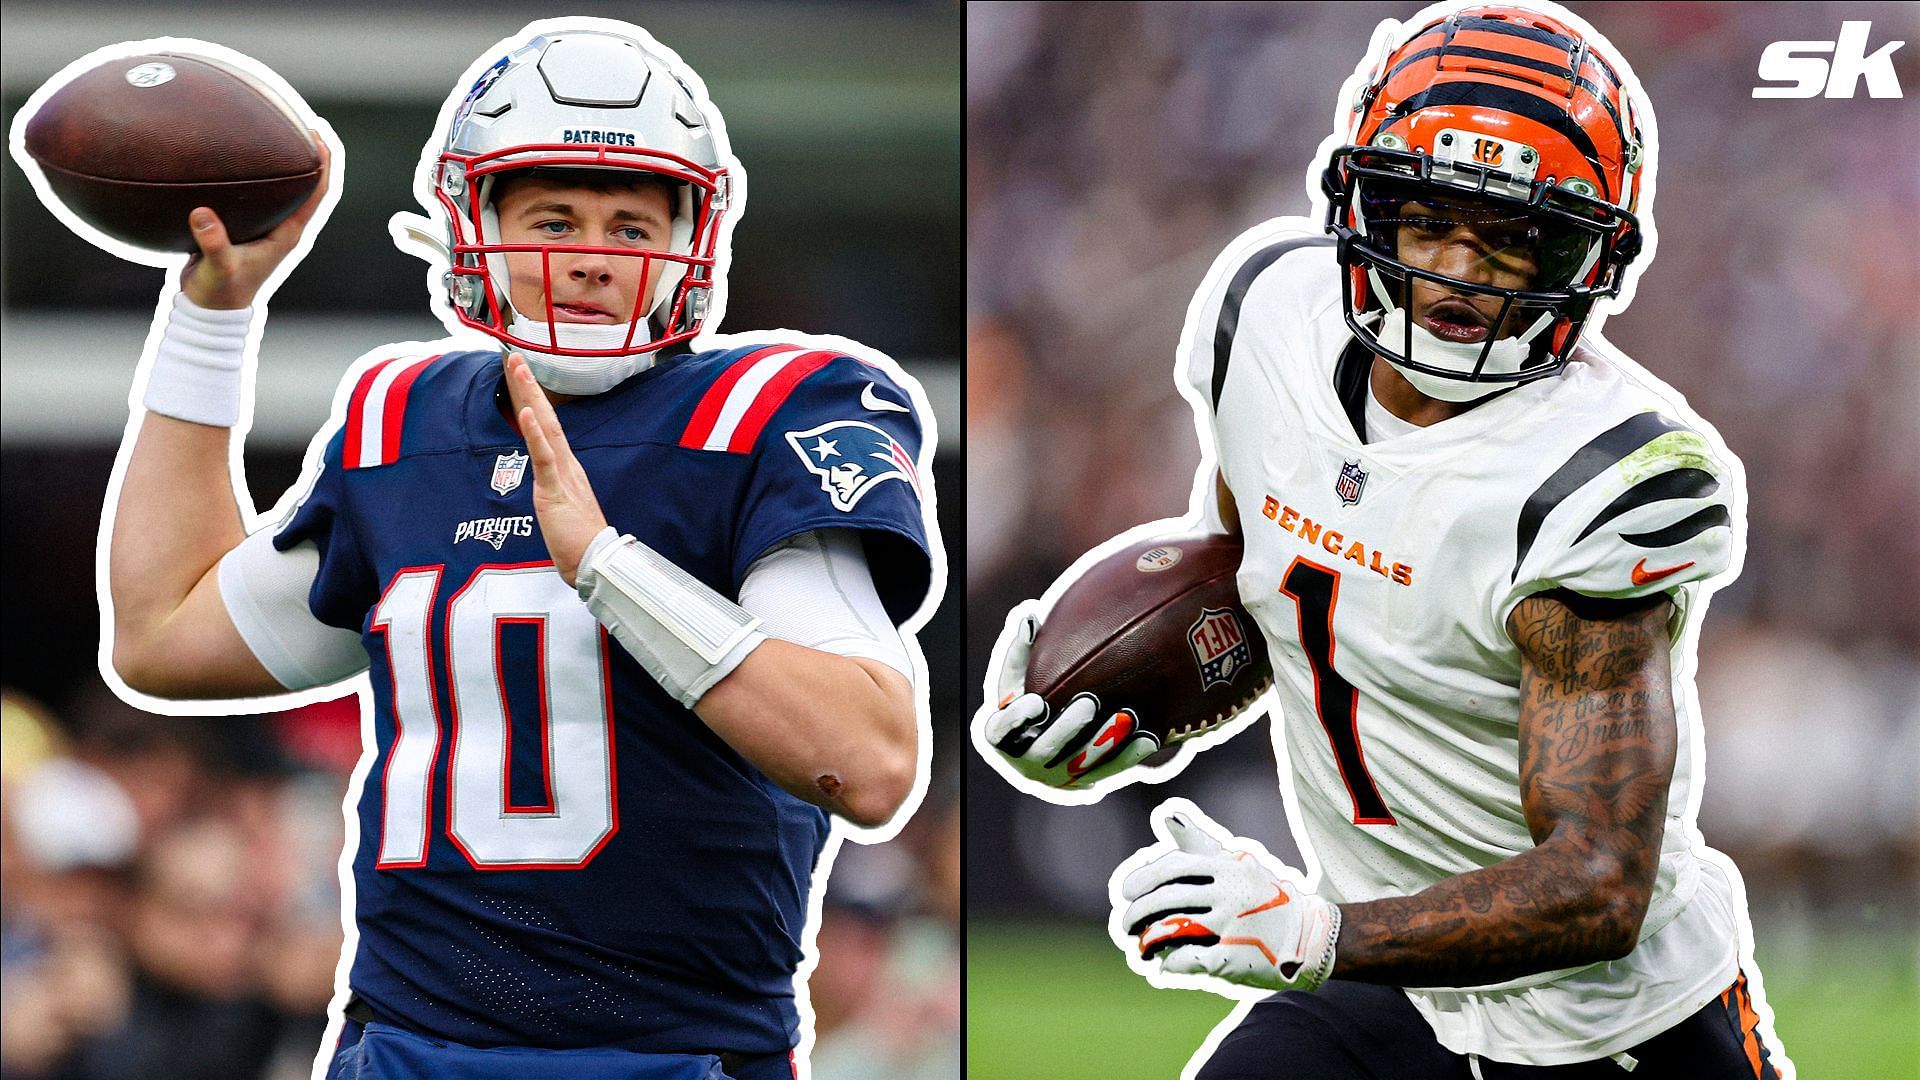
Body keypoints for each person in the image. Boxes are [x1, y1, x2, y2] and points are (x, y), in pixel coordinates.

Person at [94, 18, 940, 1080]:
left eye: (632, 226)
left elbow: (867, 761)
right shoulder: (404, 418)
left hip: (666, 1056)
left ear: (692, 241)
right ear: (470, 222)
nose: (590, 258)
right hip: (404, 1046)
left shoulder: (765, 414)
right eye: (553, 215)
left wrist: (608, 566)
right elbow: (163, 635)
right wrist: (210, 321)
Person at [976, 3, 1790, 1077]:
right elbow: (1258, 574)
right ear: (1360, 207)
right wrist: (1135, 699)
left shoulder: (1602, 478)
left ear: (1588, 256)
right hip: (1395, 987)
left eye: (1515, 237)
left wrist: (1319, 937)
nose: (1462, 269)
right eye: (1429, 216)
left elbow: (1598, 881)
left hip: (1605, 1028)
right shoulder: (1265, 310)